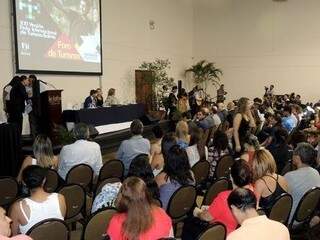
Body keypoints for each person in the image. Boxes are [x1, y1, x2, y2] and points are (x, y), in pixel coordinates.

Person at [106, 177, 173, 239]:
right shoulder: (161, 213)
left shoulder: (116, 221)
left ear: (122, 199)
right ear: (146, 194)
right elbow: (171, 237)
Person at [10, 166, 66, 235]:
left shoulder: (17, 207)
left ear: (24, 183)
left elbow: (14, 235)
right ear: (44, 180)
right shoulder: (60, 198)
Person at [284, 143, 320, 223]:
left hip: (289, 220)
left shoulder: (290, 177)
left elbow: (280, 201)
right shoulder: (316, 173)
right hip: (306, 218)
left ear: (297, 158)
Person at [155, 145, 195, 210]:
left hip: (163, 212)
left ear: (168, 161)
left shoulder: (162, 177)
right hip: (183, 209)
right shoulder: (191, 174)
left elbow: (151, 192)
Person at [252, 148, 289, 214]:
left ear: (256, 165)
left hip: (267, 222)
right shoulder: (282, 178)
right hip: (281, 220)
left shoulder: (260, 183)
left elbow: (254, 210)